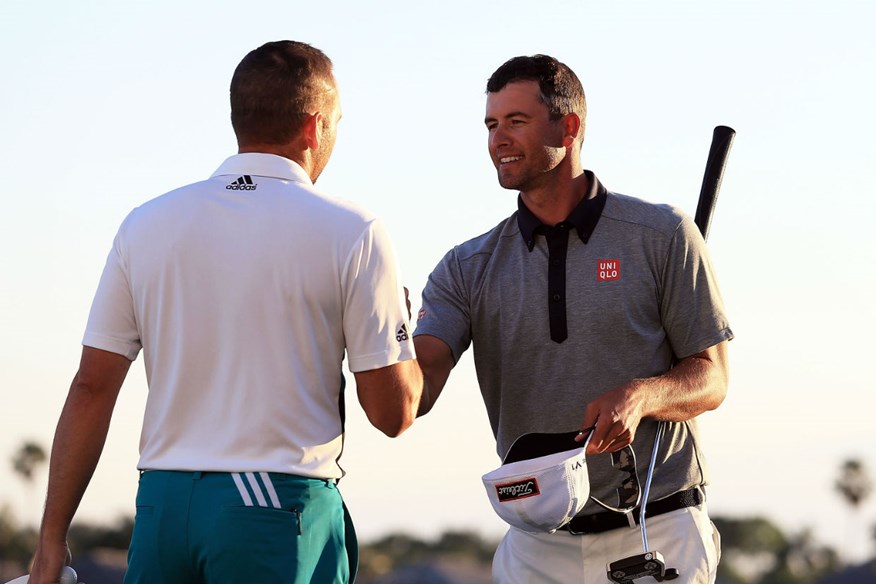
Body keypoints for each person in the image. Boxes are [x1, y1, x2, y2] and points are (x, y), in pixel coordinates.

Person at [29, 40, 422, 584]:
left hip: (162, 507)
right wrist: (403, 332)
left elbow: (92, 387)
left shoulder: (145, 224)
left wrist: (51, 540)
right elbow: (393, 414)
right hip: (273, 503)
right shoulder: (354, 230)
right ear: (314, 127)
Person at [413, 54, 732, 583]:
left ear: (570, 126)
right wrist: (382, 332)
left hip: (658, 531)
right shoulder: (466, 266)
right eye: (492, 125)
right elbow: (416, 390)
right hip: (536, 544)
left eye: (516, 122)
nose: (498, 139)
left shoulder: (663, 234)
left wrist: (642, 396)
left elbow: (712, 377)